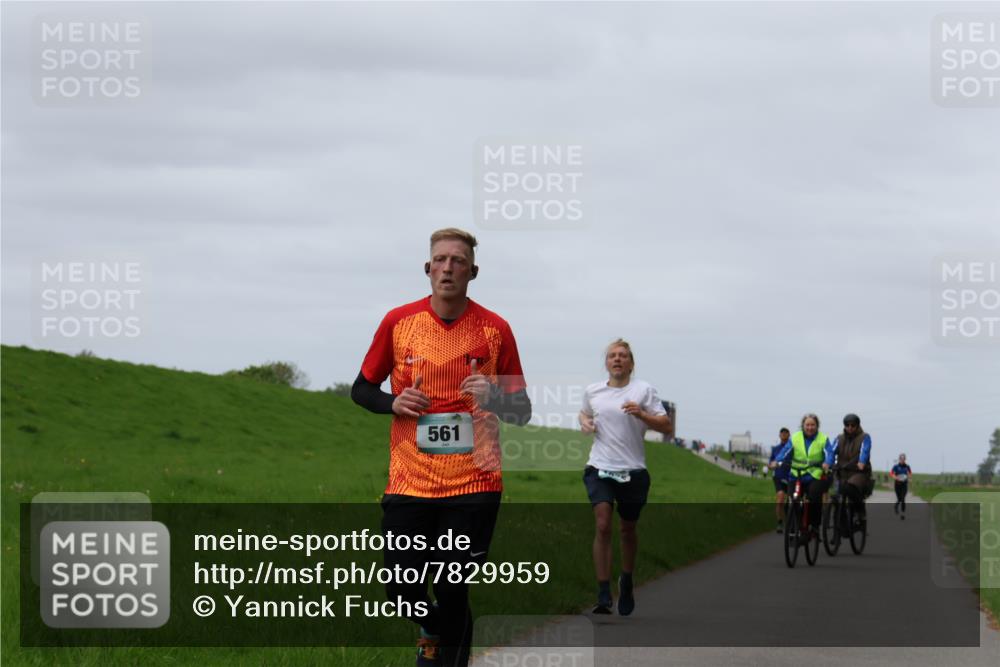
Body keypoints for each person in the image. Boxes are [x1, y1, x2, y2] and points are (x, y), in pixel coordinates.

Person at [351, 228, 531, 667]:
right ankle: (432, 630)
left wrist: (494, 396)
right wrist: (393, 402)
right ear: (427, 268)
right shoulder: (398, 322)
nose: (448, 268)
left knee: (452, 585)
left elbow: (522, 410)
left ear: (473, 272)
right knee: (400, 588)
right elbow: (361, 389)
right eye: (441, 260)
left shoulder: (496, 329)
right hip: (410, 480)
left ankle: (443, 656)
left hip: (474, 482)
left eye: (458, 261)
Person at [579, 339, 672, 616]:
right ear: (606, 363)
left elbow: (666, 425)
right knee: (603, 523)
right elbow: (584, 413)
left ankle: (627, 580)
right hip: (599, 466)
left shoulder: (643, 390)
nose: (617, 359)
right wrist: (585, 422)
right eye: (612, 356)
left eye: (622, 356)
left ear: (631, 363)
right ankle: (603, 591)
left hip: (633, 470)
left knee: (627, 529)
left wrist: (642, 414)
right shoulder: (593, 391)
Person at [773, 414, 835, 535]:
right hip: (796, 474)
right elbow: (785, 451)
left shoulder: (823, 438)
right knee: (792, 500)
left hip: (814, 475)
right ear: (803, 425)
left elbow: (830, 453)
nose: (810, 427)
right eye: (807, 425)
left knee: (814, 498)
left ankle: (814, 525)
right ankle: (794, 526)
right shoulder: (795, 437)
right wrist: (777, 461)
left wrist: (827, 463)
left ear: (817, 426)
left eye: (813, 425)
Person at [830, 413, 872, 523]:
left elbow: (864, 451)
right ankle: (838, 523)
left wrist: (862, 462)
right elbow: (831, 452)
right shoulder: (839, 438)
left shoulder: (864, 437)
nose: (850, 428)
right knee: (836, 495)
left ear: (857, 425)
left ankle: (859, 510)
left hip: (858, 472)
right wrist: (828, 462)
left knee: (849, 488)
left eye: (853, 425)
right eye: (847, 425)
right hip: (842, 471)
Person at [768, 428, 792, 533]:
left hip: (791, 477)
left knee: (791, 500)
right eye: (782, 433)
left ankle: (791, 521)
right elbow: (770, 462)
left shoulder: (793, 448)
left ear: (789, 435)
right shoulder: (775, 449)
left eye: (786, 433)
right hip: (779, 476)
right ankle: (779, 522)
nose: (784, 435)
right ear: (779, 435)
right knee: (780, 497)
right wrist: (771, 466)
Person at [890, 453, 912, 520]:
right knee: (899, 499)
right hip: (897, 485)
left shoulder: (907, 466)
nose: (902, 460)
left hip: (904, 485)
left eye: (903, 459)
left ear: (905, 459)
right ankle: (896, 506)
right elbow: (891, 473)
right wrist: (895, 477)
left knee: (903, 499)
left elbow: (910, 473)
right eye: (901, 459)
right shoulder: (896, 466)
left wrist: (908, 477)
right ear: (899, 459)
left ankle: (903, 514)